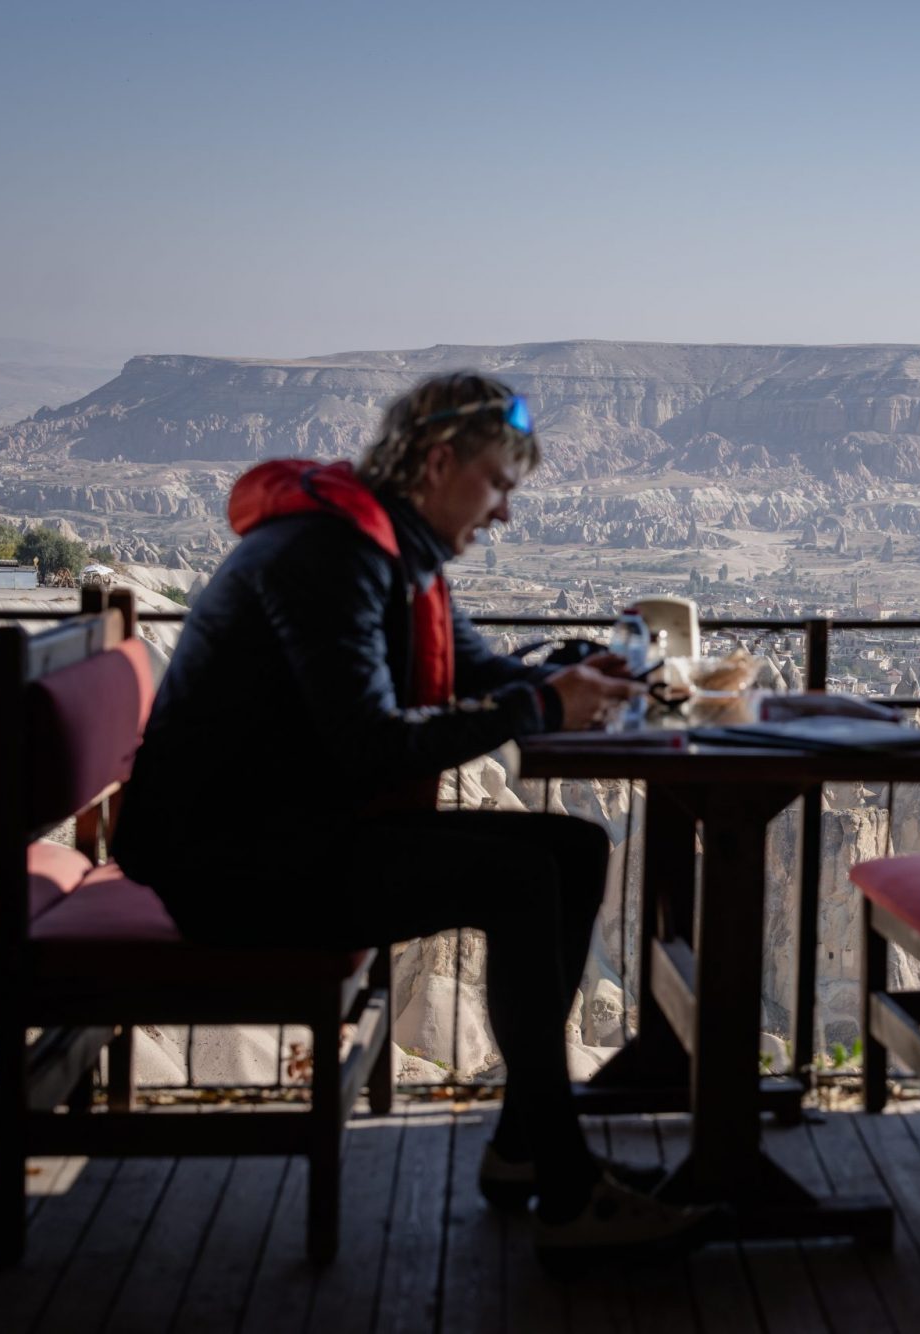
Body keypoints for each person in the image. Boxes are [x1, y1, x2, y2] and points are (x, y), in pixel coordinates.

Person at [113, 371, 714, 1261]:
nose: (504, 512)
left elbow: (477, 669)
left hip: (292, 832)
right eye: (497, 483)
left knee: (576, 848)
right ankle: (566, 1188)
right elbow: (370, 746)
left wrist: (573, 677)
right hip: (231, 868)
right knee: (523, 878)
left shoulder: (389, 550)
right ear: (438, 463)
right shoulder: (332, 556)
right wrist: (543, 706)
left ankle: (522, 1148)